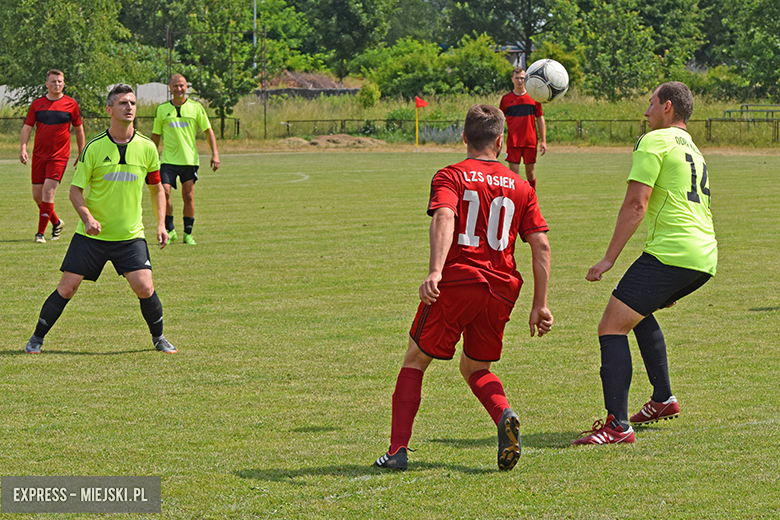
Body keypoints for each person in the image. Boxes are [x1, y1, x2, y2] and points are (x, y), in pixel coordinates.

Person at [374, 104, 553, 471]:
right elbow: (541, 245)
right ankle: (504, 412)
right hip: (501, 288)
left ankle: (397, 451)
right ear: (501, 141)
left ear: (464, 137)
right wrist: (541, 304)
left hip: (457, 281)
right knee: (475, 367)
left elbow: (444, 215)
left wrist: (435, 271)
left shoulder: (450, 175)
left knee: (415, 359)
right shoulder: (522, 186)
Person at [573, 82, 717, 445]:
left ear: (667, 106)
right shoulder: (694, 150)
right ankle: (663, 399)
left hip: (673, 252)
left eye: (650, 103)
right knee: (635, 311)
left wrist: (608, 259)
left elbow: (637, 204)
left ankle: (617, 427)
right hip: (703, 254)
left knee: (611, 327)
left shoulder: (654, 141)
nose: (646, 111)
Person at [24, 84, 177, 355]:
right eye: (122, 103)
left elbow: (156, 190)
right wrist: (87, 218)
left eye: (132, 102)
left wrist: (161, 224)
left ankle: (159, 338)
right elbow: (74, 191)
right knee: (67, 287)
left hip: (130, 236)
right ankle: (36, 338)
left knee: (145, 287)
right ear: (109, 110)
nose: (129, 107)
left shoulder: (147, 147)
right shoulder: (94, 148)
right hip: (91, 237)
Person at [151, 73, 220, 245]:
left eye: (181, 85)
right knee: (164, 192)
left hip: (189, 160)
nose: (179, 89)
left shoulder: (196, 108)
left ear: (186, 87)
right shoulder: (162, 110)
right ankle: (171, 229)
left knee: (188, 196)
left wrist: (215, 153)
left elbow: (208, 130)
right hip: (168, 160)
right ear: (170, 88)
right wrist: (150, 157)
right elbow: (156, 136)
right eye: (175, 85)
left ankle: (188, 234)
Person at [20, 69, 85, 243]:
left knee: (48, 193)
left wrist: (81, 151)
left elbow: (78, 129)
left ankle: (40, 233)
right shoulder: (37, 104)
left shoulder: (71, 104)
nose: (57, 84)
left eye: (60, 81)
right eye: (53, 81)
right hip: (39, 156)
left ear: (64, 84)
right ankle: (56, 222)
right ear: (47, 84)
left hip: (59, 156)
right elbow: (27, 127)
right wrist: (23, 148)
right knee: (37, 196)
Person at [499, 67, 547, 190]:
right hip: (513, 142)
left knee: (530, 174)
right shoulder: (506, 99)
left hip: (530, 142)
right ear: (512, 79)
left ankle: (531, 198)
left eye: (522, 78)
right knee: (514, 175)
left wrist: (543, 141)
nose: (520, 81)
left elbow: (540, 119)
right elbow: (499, 120)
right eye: (517, 78)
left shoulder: (534, 98)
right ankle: (517, 200)